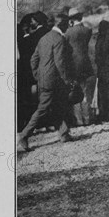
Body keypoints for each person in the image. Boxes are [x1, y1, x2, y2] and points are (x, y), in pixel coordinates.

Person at [18, 14, 75, 152]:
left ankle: (64, 133)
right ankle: (24, 135)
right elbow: (60, 63)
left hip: (43, 79)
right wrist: (68, 80)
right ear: (63, 25)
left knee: (56, 105)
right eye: (67, 25)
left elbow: (33, 59)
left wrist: (38, 75)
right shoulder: (59, 39)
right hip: (53, 80)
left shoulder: (44, 38)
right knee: (43, 108)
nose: (68, 27)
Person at [65, 8, 95, 126]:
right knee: (86, 93)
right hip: (86, 64)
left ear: (71, 19)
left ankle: (79, 120)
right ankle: (88, 119)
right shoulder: (87, 30)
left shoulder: (68, 33)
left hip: (73, 66)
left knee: (75, 93)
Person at [94, 20, 109, 123]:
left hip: (101, 70)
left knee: (102, 93)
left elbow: (97, 56)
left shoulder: (99, 39)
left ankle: (103, 114)